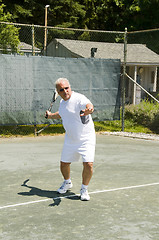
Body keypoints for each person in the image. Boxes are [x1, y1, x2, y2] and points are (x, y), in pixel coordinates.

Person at [45, 78, 96, 201]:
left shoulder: (79, 98)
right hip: (70, 139)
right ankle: (67, 182)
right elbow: (61, 113)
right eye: (61, 90)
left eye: (66, 88)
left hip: (86, 138)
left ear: (70, 87)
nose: (65, 91)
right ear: (58, 92)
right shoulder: (62, 103)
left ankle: (84, 189)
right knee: (64, 164)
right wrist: (50, 115)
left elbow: (88, 105)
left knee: (88, 164)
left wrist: (89, 109)